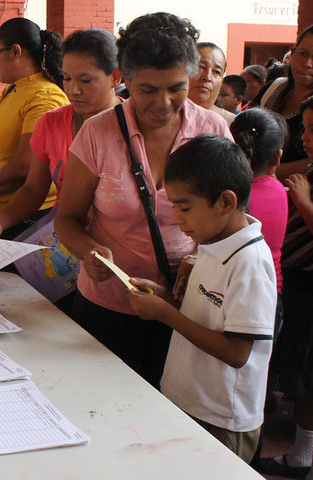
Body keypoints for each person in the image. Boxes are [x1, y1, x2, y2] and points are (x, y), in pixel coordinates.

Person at [54, 12, 232, 388]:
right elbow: (66, 219)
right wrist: (87, 250)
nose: (163, 103)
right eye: (148, 90)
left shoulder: (212, 130)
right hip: (107, 307)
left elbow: (232, 219)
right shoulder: (98, 133)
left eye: (176, 88)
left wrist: (195, 265)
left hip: (187, 309)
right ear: (126, 79)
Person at [127, 134, 276, 463]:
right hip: (188, 400)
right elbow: (204, 316)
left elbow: (237, 353)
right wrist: (166, 299)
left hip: (220, 418)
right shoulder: (212, 243)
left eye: (185, 207)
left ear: (225, 202)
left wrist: (166, 315)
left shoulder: (249, 263)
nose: (177, 218)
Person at [0, 29, 121, 238]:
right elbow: (34, 189)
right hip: (66, 239)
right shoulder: (52, 123)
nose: (73, 90)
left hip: (122, 244)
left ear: (115, 77)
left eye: (86, 80)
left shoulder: (134, 126)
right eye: (67, 78)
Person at [0, 17, 69, 240]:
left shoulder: (45, 96)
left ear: (16, 51)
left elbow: (24, 167)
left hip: (24, 217)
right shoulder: (12, 90)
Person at [256, 97, 313, 479]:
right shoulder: (309, 166)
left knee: (307, 372)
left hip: (309, 286)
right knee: (295, 366)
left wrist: (303, 201)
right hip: (295, 280)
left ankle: (303, 455)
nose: (306, 138)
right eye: (305, 128)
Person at [230, 108, 288, 336]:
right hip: (271, 297)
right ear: (277, 157)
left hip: (232, 296)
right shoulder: (279, 190)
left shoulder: (227, 198)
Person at [256, 25, 313, 179]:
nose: (308, 63)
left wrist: (264, 173)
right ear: (293, 54)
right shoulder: (274, 88)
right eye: (303, 53)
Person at [188, 42, 236, 126]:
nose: (207, 77)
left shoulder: (232, 124)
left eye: (216, 72)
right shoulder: (166, 117)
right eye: (201, 67)